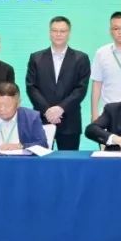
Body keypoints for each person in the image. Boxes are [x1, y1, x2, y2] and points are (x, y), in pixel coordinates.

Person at [25, 16, 91, 150]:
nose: (58, 34)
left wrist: (60, 108)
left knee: (68, 162)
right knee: (40, 161)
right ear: (50, 33)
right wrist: (47, 111)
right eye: (55, 30)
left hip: (70, 121)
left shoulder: (81, 58)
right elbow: (31, 87)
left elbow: (81, 88)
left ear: (69, 33)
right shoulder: (36, 58)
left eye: (62, 31)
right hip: (42, 119)